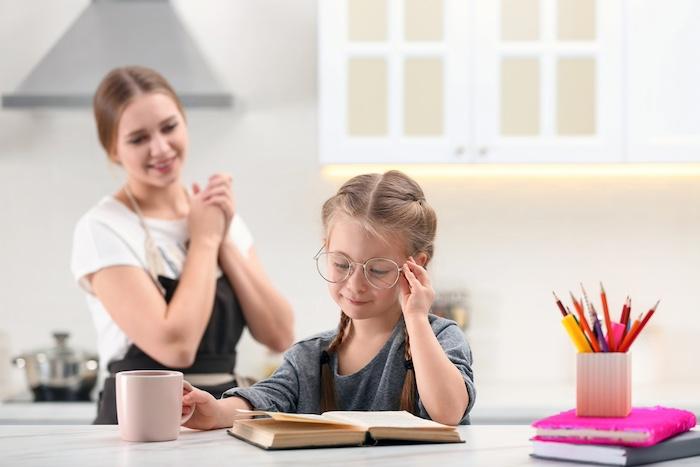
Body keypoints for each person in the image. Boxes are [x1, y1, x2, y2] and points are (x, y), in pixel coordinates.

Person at [71, 66, 294, 424]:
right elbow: (176, 346)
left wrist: (221, 237)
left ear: (184, 122)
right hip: (140, 422)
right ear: (113, 149)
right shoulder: (103, 228)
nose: (160, 148)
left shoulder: (214, 213)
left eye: (169, 127)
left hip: (221, 417)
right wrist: (205, 240)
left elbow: (279, 334)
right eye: (138, 138)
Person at [181, 170, 476, 428]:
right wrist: (216, 412)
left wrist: (416, 317)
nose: (356, 285)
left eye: (378, 269)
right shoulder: (309, 357)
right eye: (342, 264)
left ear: (416, 265)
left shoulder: (440, 338)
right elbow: (265, 399)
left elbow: (448, 412)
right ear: (326, 249)